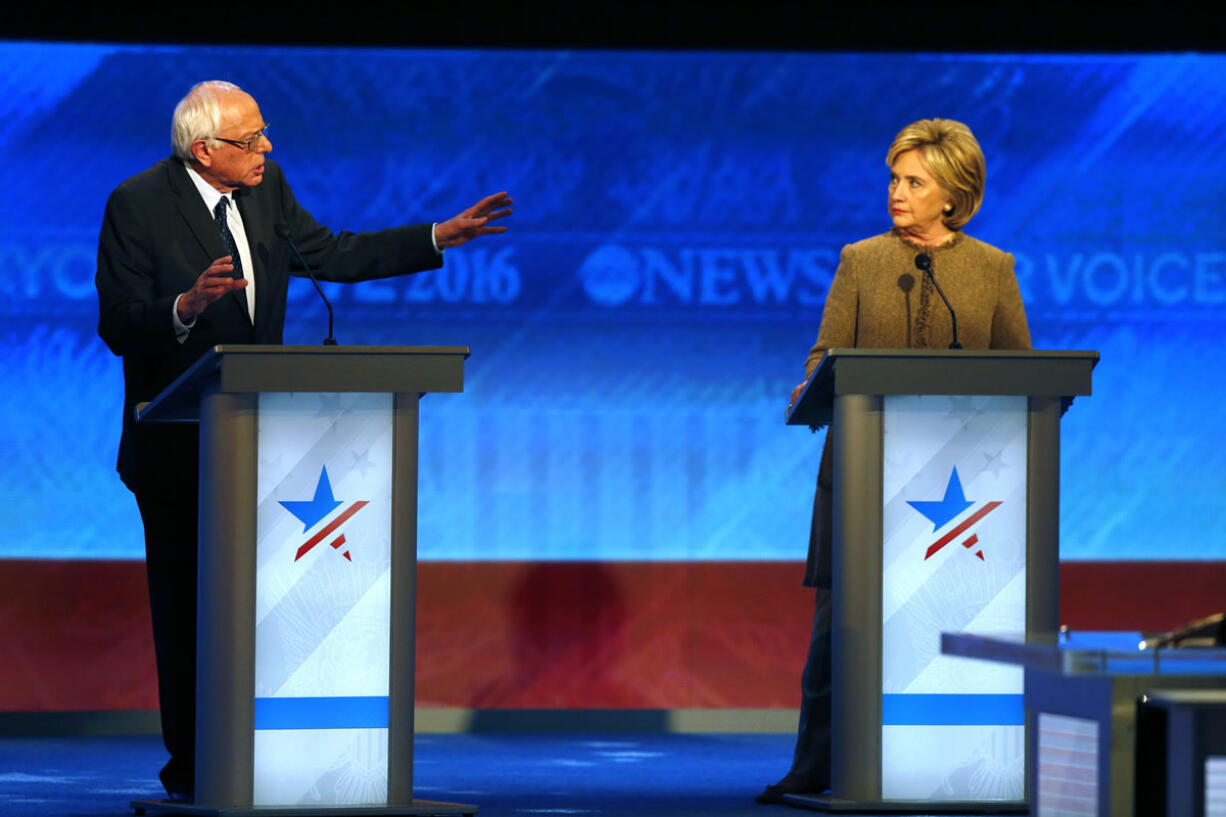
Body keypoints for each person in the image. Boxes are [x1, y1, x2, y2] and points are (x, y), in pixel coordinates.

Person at [95, 80, 512, 802]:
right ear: (204, 150)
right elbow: (118, 323)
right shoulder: (137, 203)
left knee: (268, 609)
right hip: (176, 447)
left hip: (268, 444)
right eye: (252, 139)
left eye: (264, 135)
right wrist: (185, 306)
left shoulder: (267, 188)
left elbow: (331, 253)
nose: (268, 149)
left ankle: (271, 761)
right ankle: (195, 768)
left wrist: (435, 237)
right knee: (190, 611)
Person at [756, 118, 1031, 805]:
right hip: (861, 474)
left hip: (960, 495)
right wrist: (812, 376)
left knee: (950, 621)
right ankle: (815, 763)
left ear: (953, 194)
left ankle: (959, 759)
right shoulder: (861, 260)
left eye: (914, 182)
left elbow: (1026, 376)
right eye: (893, 179)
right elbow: (826, 353)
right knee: (837, 626)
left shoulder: (993, 269)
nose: (897, 193)